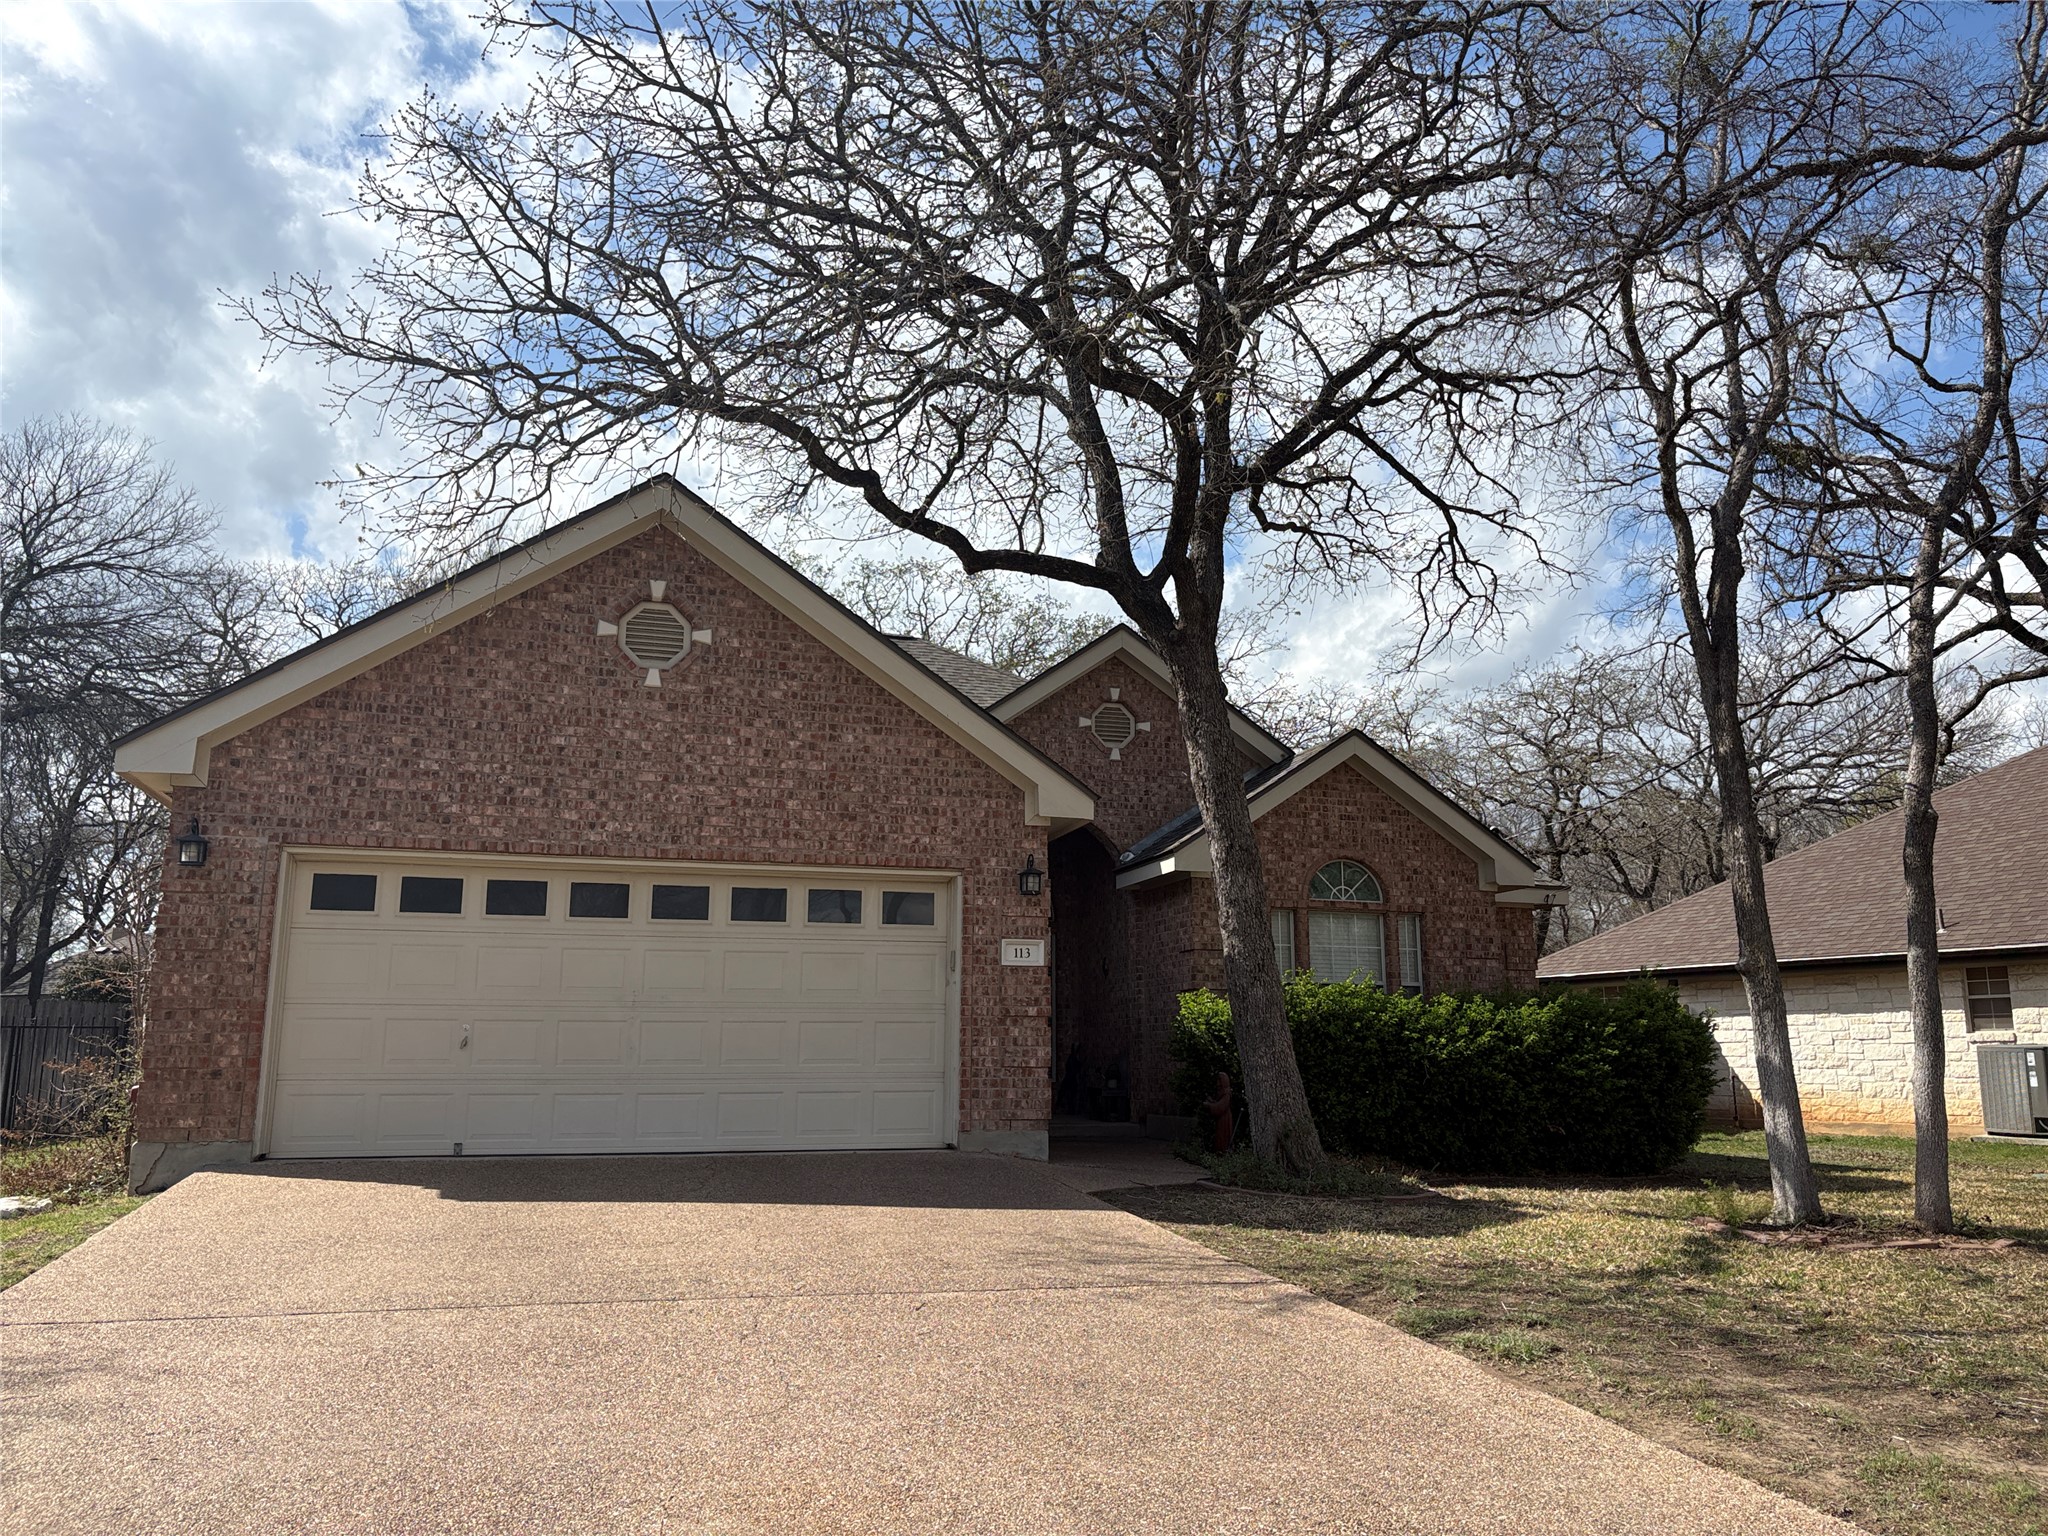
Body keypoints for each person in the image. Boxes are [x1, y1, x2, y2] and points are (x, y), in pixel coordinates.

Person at [1201, 1071, 1235, 1153]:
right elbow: (1218, 1103)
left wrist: (1209, 1105)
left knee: (1223, 1137)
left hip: (1224, 1119)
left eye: (1219, 1080)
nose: (1217, 1083)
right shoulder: (1221, 1092)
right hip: (1220, 1119)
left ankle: (1222, 1151)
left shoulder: (1226, 1093)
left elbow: (1221, 1107)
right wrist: (1211, 1101)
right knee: (1219, 1136)